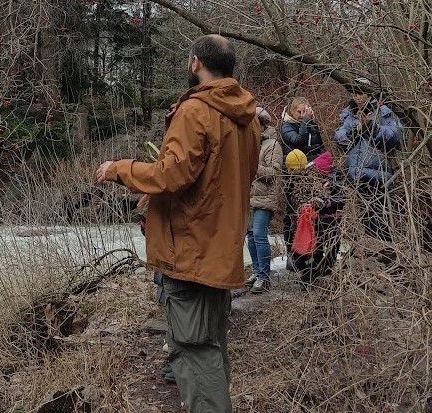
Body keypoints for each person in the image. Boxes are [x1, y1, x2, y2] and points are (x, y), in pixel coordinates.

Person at [96, 34, 260, 413]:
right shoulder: (247, 118)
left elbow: (172, 175)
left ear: (195, 63)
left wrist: (119, 168)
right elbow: (229, 179)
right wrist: (155, 194)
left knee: (192, 348)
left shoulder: (196, 110)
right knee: (209, 345)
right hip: (220, 247)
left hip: (190, 250)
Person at [334, 78, 403, 245]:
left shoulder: (384, 111)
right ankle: (372, 251)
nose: (358, 96)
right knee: (365, 215)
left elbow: (395, 136)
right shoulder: (348, 113)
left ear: (369, 92)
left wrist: (371, 127)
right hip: (357, 172)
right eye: (354, 93)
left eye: (361, 92)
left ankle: (385, 250)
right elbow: (340, 136)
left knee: (381, 215)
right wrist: (353, 132)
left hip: (379, 172)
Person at [281, 97, 324, 269]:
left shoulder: (310, 123)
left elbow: (319, 145)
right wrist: (306, 122)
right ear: (292, 111)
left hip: (312, 174)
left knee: (312, 214)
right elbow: (297, 142)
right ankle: (293, 253)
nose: (301, 115)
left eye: (304, 111)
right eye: (298, 112)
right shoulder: (286, 126)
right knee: (292, 215)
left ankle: (312, 252)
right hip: (294, 176)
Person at [290, 151, 345, 284]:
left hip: (331, 216)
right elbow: (299, 196)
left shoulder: (334, 178)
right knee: (319, 246)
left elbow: (339, 198)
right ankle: (315, 273)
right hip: (319, 217)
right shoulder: (311, 177)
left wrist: (322, 203)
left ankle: (323, 270)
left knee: (330, 245)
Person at [245, 107, 283, 294]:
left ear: (261, 123)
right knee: (251, 237)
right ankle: (256, 271)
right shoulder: (250, 143)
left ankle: (264, 277)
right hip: (250, 198)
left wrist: (252, 165)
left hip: (265, 198)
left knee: (259, 236)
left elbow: (274, 174)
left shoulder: (273, 145)